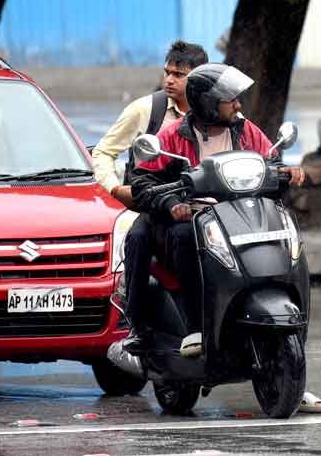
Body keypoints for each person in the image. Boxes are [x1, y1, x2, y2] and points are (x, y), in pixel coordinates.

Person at [127, 64, 304, 355]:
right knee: (181, 236)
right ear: (208, 103)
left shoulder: (244, 130)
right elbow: (142, 179)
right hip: (190, 219)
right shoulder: (174, 137)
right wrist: (173, 205)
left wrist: (286, 173)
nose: (238, 104)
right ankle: (189, 325)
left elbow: (268, 163)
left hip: (236, 218)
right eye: (230, 99)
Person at [92, 41, 208, 209]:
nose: (168, 80)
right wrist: (115, 189)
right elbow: (103, 152)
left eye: (178, 75)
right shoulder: (144, 109)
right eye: (167, 73)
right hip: (151, 205)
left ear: (200, 77)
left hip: (203, 205)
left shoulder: (215, 111)